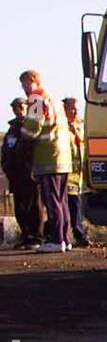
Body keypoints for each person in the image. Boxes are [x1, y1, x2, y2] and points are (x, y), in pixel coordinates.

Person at [19, 69, 72, 253]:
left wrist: (22, 132)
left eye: (25, 84)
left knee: (52, 200)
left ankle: (56, 240)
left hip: (47, 157)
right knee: (62, 200)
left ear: (32, 81)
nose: (24, 89)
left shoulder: (36, 98)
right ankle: (65, 238)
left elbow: (32, 129)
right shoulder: (53, 99)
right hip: (63, 157)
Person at [1, 97, 43, 248]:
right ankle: (25, 236)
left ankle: (37, 237)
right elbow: (6, 150)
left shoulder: (32, 126)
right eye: (15, 108)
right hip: (15, 175)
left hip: (30, 174)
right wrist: (7, 167)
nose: (18, 110)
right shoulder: (12, 129)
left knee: (34, 207)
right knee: (20, 208)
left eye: (20, 107)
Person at [62, 97, 88, 247]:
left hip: (78, 176)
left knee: (76, 207)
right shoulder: (62, 127)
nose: (75, 111)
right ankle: (62, 235)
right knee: (65, 207)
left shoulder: (81, 126)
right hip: (66, 174)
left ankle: (79, 235)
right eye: (72, 109)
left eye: (77, 109)